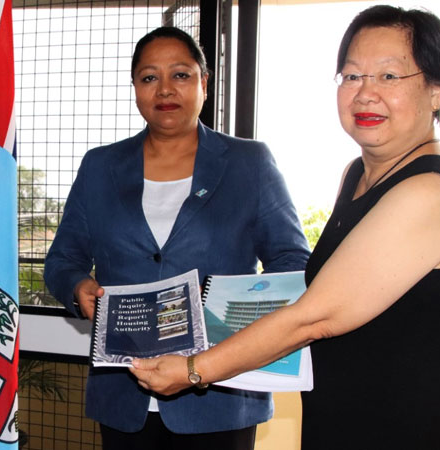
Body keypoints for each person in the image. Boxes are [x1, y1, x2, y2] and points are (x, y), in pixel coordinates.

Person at [130, 5, 440, 449]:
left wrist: (195, 369)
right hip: (343, 422)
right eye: (352, 76)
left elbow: (315, 317)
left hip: (408, 430)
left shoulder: (429, 193)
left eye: (389, 76)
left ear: (436, 91)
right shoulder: (358, 175)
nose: (366, 94)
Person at [43, 27, 310, 450]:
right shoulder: (99, 167)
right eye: (149, 77)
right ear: (135, 88)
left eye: (181, 75)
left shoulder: (250, 163)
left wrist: (242, 315)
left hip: (221, 393)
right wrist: (78, 288)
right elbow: (62, 260)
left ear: (205, 83)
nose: (165, 89)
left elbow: (292, 261)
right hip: (123, 395)